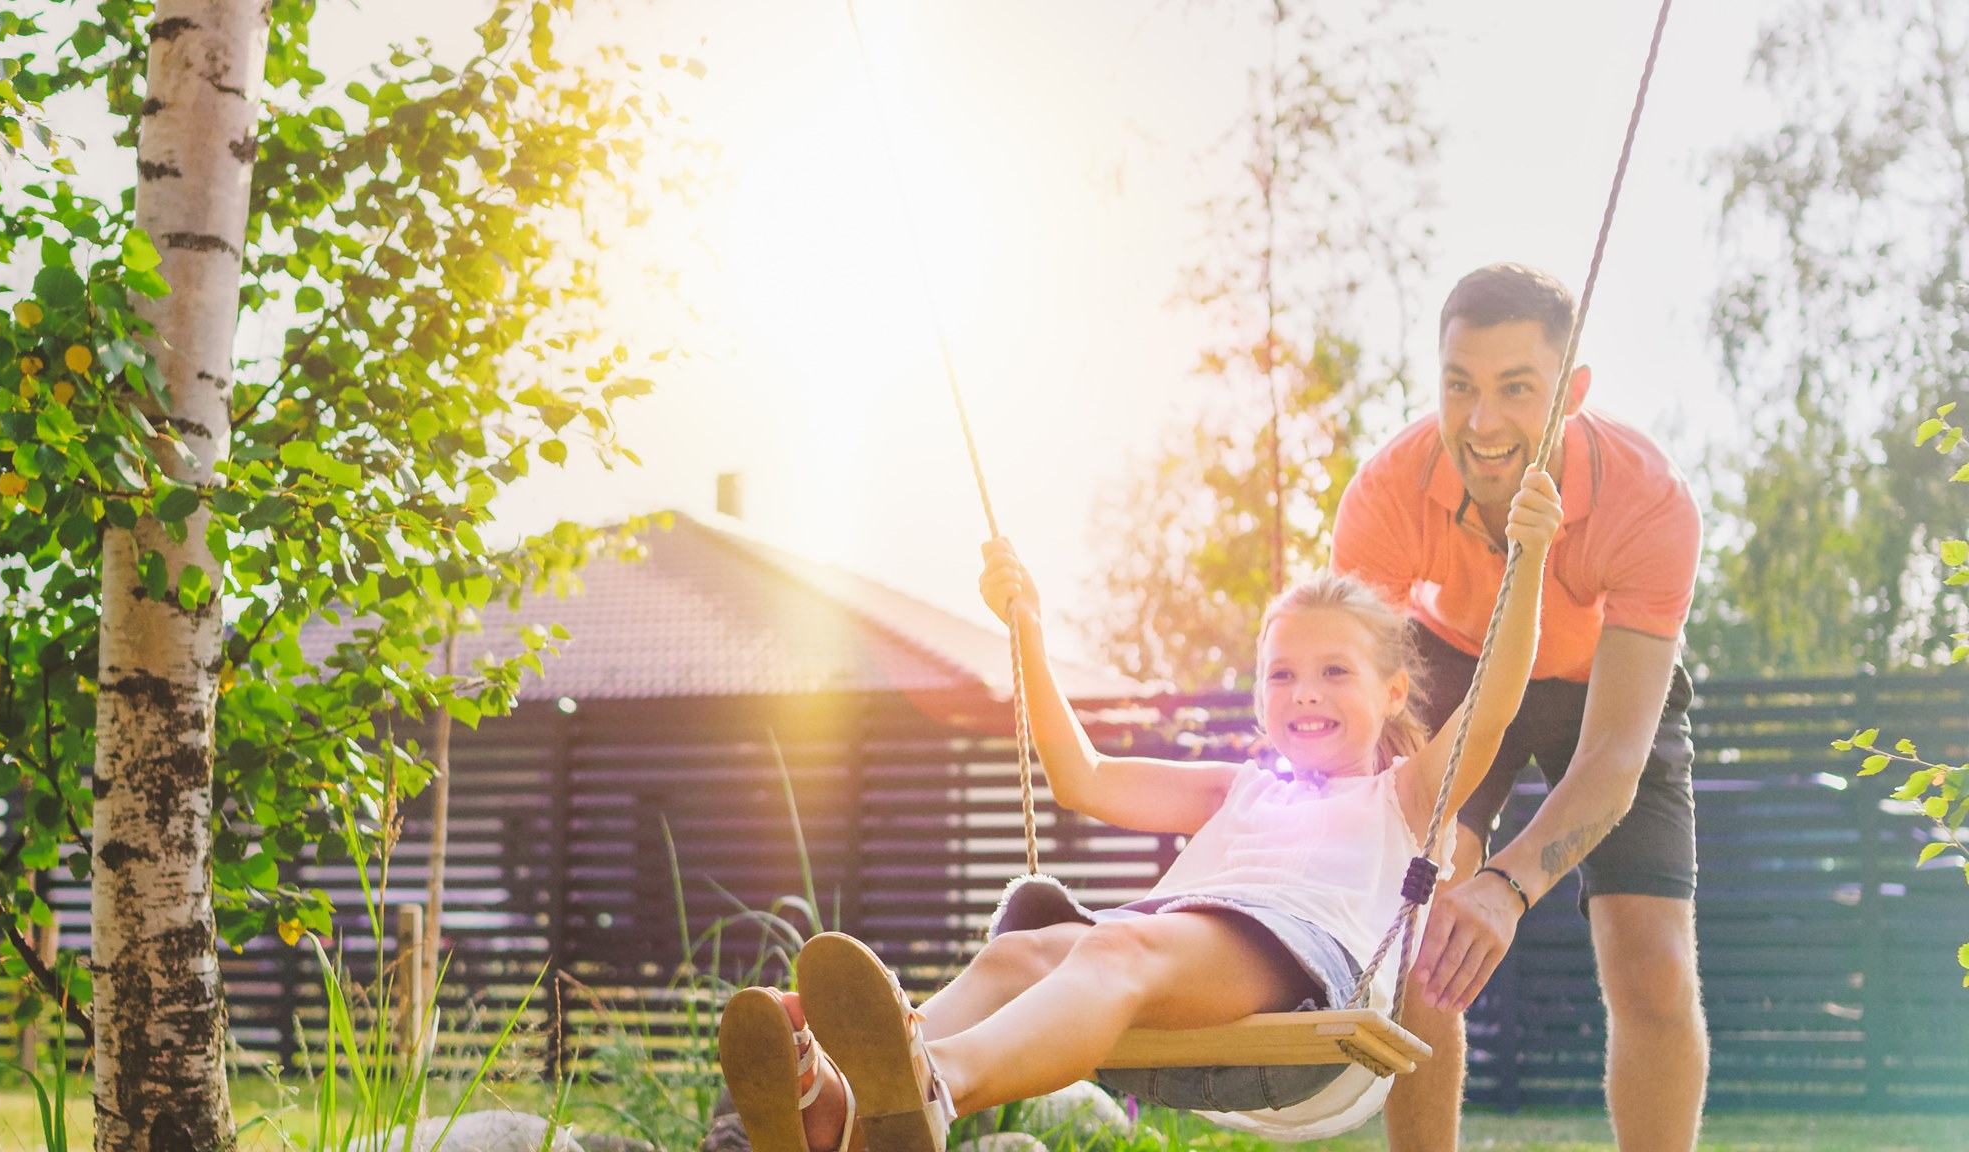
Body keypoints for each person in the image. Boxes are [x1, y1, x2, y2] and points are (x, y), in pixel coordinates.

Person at [714, 469, 1564, 1152]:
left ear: (1393, 691)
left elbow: (1494, 699)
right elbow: (1082, 776)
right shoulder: (1237, 788)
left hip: (1304, 975)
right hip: (1180, 950)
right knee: (1029, 952)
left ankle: (931, 1082)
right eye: (1281, 674)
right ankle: (838, 1105)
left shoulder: (1405, 794)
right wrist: (1030, 637)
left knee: (1117, 940)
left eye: (1335, 672)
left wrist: (1524, 565)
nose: (1305, 693)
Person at [1331, 262, 1707, 1152]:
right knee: (1425, 942)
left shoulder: (1650, 501)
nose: (1483, 421)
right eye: (1460, 386)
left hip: (1602, 686)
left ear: (1571, 392)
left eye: (1516, 389)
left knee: (1653, 967)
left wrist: (1508, 885)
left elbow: (1615, 759)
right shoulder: (1386, 494)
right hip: (1456, 667)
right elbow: (1356, 693)